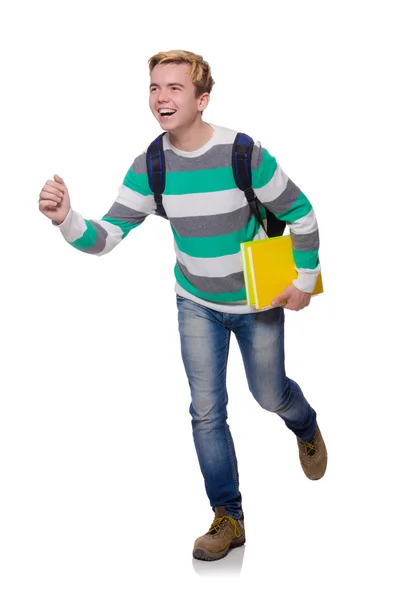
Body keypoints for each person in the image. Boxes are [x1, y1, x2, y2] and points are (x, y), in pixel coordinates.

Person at [38, 49, 327, 562]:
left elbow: (301, 213)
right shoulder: (151, 165)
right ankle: (229, 518)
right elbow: (106, 237)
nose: (161, 98)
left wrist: (304, 279)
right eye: (154, 87)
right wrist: (66, 218)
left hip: (256, 300)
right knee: (206, 412)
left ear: (201, 99)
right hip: (195, 302)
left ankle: (304, 424)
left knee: (269, 394)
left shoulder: (244, 153)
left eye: (174, 88)